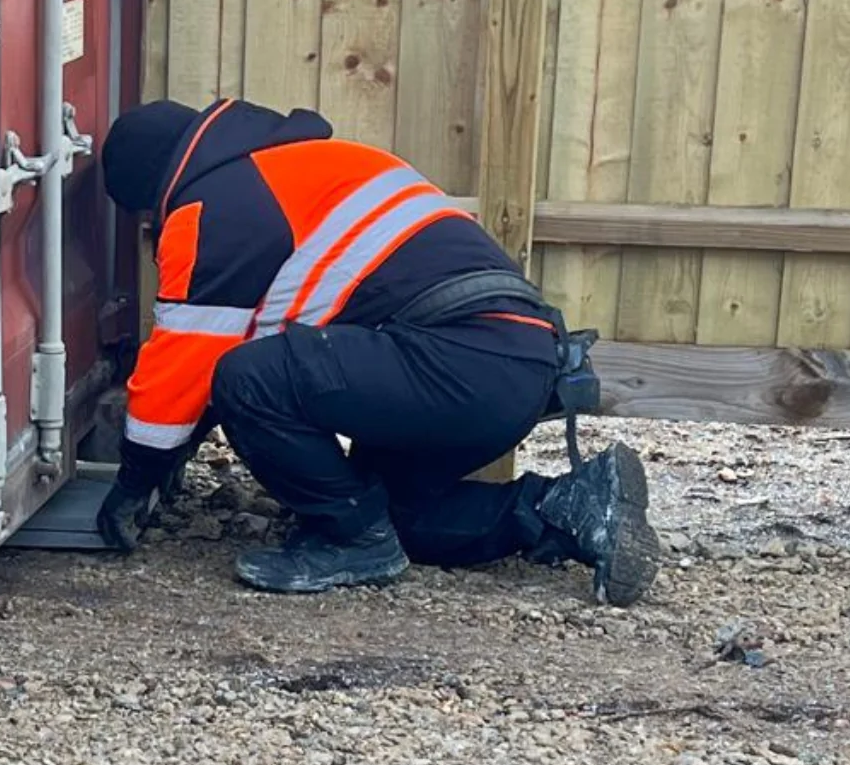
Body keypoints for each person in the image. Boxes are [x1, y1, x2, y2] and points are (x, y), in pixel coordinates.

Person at [95, 97, 661, 606]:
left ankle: (351, 541)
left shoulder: (211, 209)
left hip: (458, 359)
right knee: (391, 514)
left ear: (153, 195)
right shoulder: (297, 165)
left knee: (247, 380)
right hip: (509, 360)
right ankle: (570, 507)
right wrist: (177, 450)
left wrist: (136, 479)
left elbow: (185, 363)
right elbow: (230, 338)